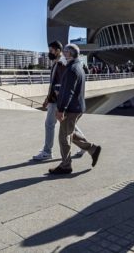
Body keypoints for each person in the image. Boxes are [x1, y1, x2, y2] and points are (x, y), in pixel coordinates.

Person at [48, 44, 101, 175]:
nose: (63, 54)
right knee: (69, 133)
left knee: (63, 137)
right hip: (77, 107)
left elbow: (68, 92)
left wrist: (61, 109)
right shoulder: (79, 67)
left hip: (71, 109)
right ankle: (93, 149)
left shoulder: (71, 69)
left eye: (65, 51)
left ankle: (66, 166)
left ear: (70, 54)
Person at [32, 41, 86, 162]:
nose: (49, 53)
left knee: (50, 124)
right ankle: (85, 145)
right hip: (54, 99)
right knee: (69, 126)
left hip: (58, 100)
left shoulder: (62, 63)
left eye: (51, 51)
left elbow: (64, 83)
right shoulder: (57, 63)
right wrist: (47, 98)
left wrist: (58, 101)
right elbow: (53, 83)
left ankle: (47, 151)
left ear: (58, 51)